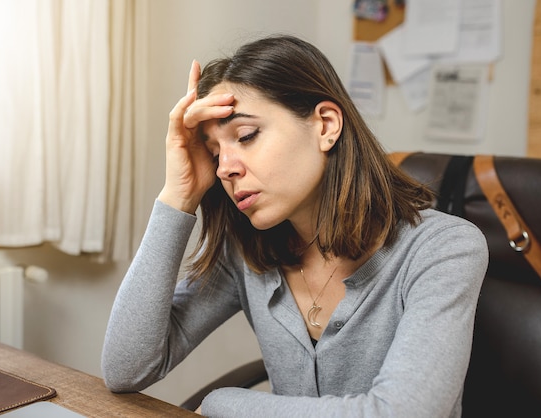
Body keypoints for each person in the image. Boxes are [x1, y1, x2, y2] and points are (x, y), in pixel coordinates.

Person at [101, 34, 488, 417]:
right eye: (215, 151)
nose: (224, 168)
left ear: (325, 125)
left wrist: (223, 403)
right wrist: (178, 195)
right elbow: (126, 369)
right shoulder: (246, 253)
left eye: (246, 136)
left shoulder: (445, 247)